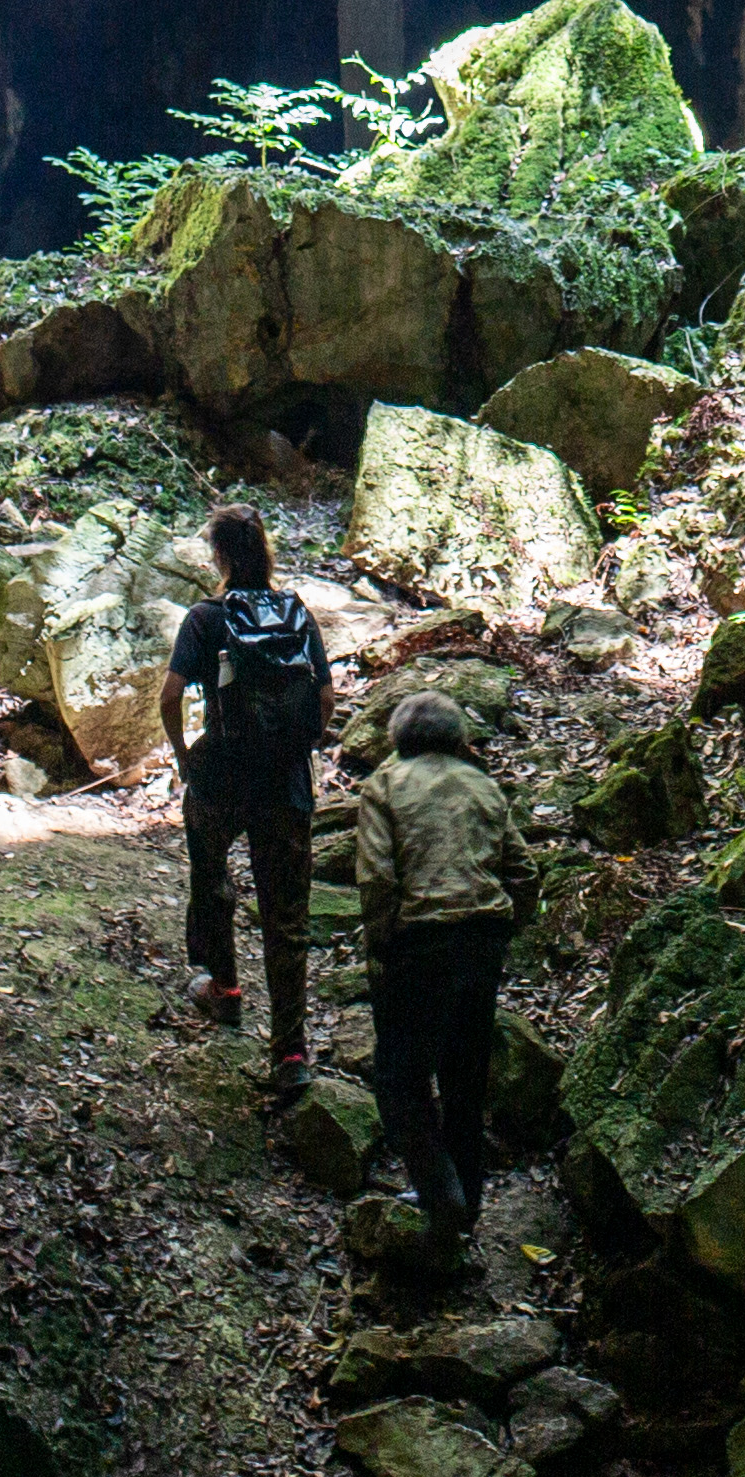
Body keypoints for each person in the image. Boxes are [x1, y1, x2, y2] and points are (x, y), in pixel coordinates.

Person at [352, 689, 534, 1235]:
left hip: (420, 943)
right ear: (458, 737)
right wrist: (507, 927)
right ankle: (467, 1202)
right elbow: (524, 871)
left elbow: (377, 878)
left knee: (399, 1080)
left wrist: (380, 947)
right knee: (464, 1077)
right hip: (482, 941)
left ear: (398, 737)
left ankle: (439, 1192)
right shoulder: (482, 785)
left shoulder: (385, 785)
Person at [162, 507, 331, 1097]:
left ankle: (225, 990)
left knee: (212, 878)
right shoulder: (296, 612)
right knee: (287, 915)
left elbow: (170, 697)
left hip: (223, 773)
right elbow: (325, 700)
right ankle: (290, 1053)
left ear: (219, 556)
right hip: (285, 781)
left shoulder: (205, 618)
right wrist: (297, 748)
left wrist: (185, 756)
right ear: (264, 549)